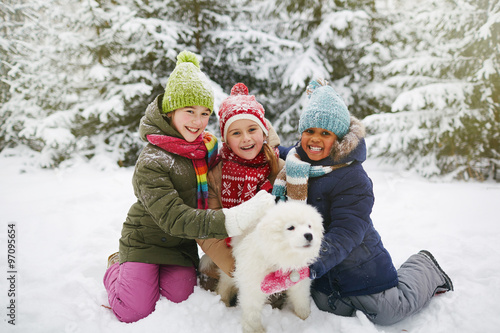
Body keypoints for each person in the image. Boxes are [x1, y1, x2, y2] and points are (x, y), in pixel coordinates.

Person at [103, 51, 274, 323]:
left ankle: (150, 275)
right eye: (189, 111)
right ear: (170, 111)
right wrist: (233, 220)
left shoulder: (205, 148)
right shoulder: (152, 159)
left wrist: (268, 138)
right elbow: (173, 217)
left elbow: (246, 144)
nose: (197, 121)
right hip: (145, 239)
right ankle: (116, 266)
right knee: (133, 310)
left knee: (181, 296)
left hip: (181, 243)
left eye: (205, 113)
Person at [270, 78, 453, 325]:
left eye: (326, 133)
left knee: (388, 312)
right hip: (325, 271)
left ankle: (425, 266)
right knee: (326, 305)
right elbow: (283, 151)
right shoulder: (298, 164)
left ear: (339, 139)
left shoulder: (353, 177)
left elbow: (347, 231)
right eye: (309, 131)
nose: (315, 139)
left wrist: (310, 263)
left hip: (359, 265)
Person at [196, 83, 284, 303]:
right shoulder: (216, 172)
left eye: (252, 129)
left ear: (263, 131)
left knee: (272, 298)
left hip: (268, 255)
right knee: (211, 284)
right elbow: (207, 226)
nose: (246, 138)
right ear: (226, 139)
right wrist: (237, 266)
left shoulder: (278, 167)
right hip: (227, 253)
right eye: (236, 132)